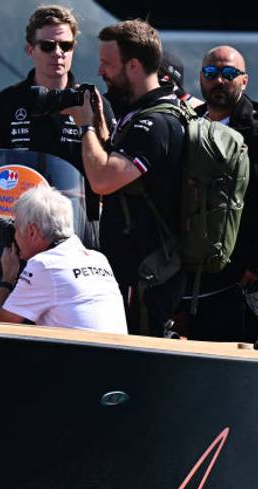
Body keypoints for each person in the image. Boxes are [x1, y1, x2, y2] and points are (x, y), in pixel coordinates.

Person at [70, 20, 186, 336]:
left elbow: (103, 180)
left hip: (147, 274)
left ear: (133, 65)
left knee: (143, 356)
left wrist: (85, 126)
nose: (100, 71)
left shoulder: (157, 123)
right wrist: (100, 124)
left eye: (107, 63)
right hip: (134, 268)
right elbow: (119, 162)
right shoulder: (140, 112)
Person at [0, 5, 115, 233]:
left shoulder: (93, 102)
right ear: (30, 49)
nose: (58, 53)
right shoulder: (7, 101)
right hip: (21, 224)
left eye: (66, 46)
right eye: (48, 46)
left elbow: (112, 165)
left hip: (77, 226)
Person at [181, 46, 258, 341]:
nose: (219, 81)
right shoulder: (188, 124)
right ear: (201, 77)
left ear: (244, 80)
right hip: (193, 276)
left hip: (243, 282)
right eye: (211, 73)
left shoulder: (255, 129)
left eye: (229, 73)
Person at [0, 186, 127, 333]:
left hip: (80, 348)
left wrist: (8, 278)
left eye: (15, 229)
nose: (14, 236)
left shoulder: (44, 265)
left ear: (32, 232)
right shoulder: (98, 259)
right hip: (114, 347)